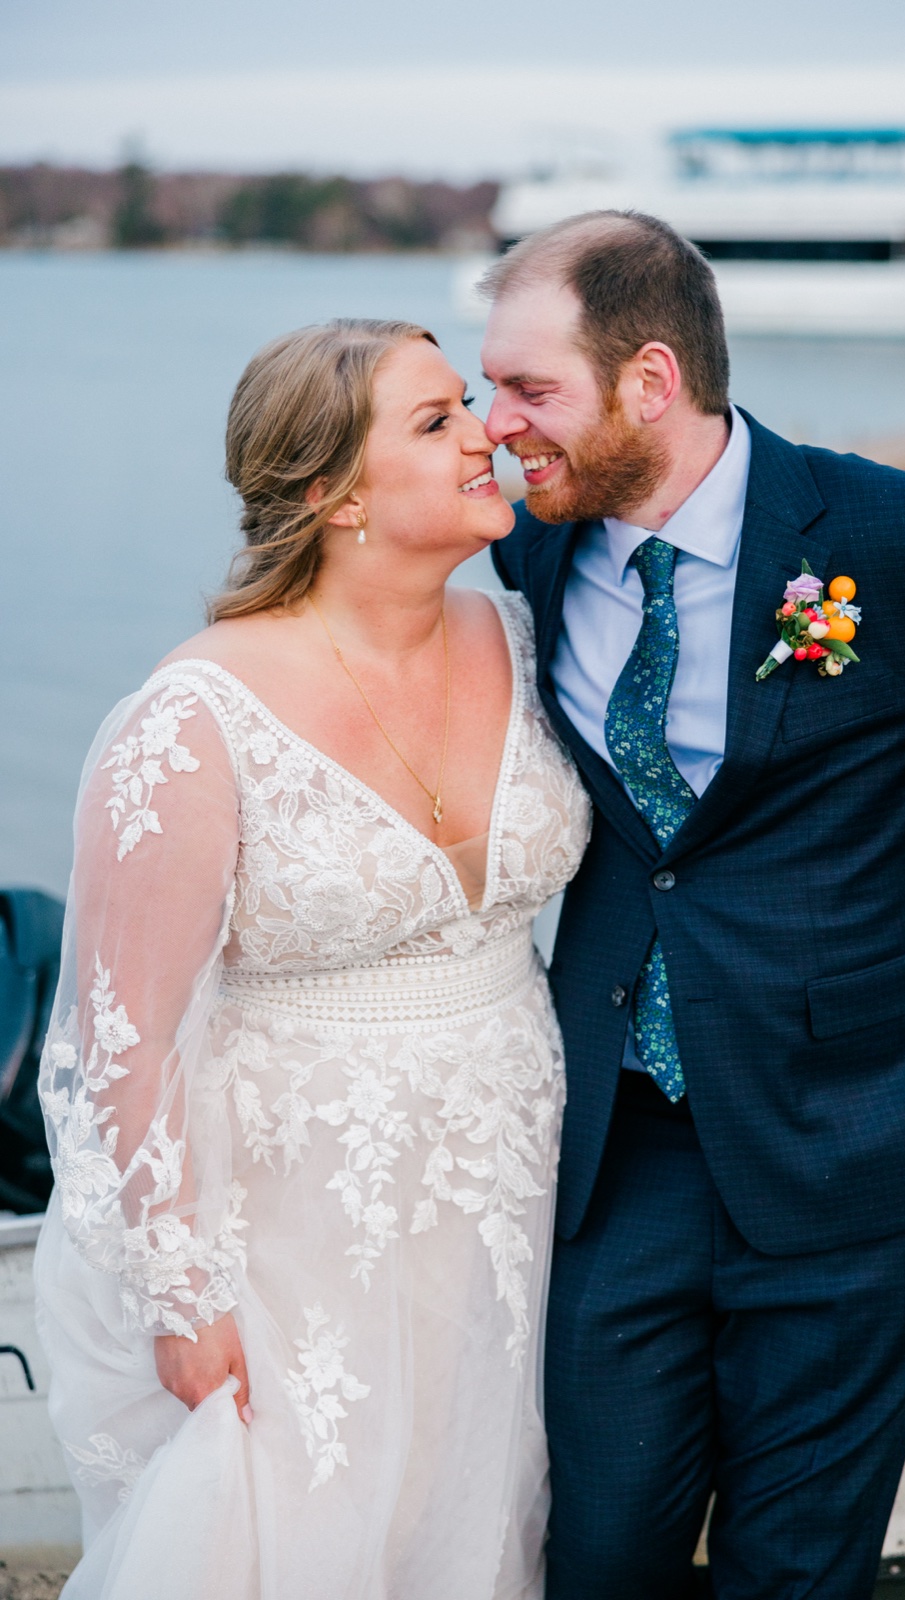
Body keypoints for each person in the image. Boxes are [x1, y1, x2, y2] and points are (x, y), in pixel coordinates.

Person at [480, 210, 905, 1599]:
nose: (496, 427)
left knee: (790, 1573)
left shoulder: (898, 538)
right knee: (596, 1553)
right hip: (621, 1155)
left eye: (528, 390)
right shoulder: (528, 548)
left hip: (863, 1150)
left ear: (650, 382)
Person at [35, 318, 590, 1600]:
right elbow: (123, 1039)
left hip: (504, 1196)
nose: (487, 432)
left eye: (473, 403)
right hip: (292, 1223)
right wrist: (179, 1294)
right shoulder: (193, 719)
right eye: (438, 420)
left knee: (471, 1522)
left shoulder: (524, 634)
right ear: (332, 492)